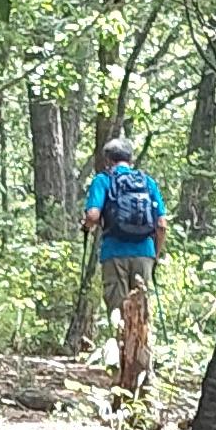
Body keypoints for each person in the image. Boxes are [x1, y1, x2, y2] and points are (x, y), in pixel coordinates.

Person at [81, 127, 167, 390]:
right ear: (130, 159)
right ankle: (145, 376)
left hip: (114, 253)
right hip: (144, 254)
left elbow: (93, 215)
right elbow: (161, 225)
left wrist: (86, 226)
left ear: (108, 160)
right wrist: (155, 255)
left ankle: (121, 373)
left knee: (118, 313)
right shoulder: (147, 182)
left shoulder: (103, 180)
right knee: (141, 315)